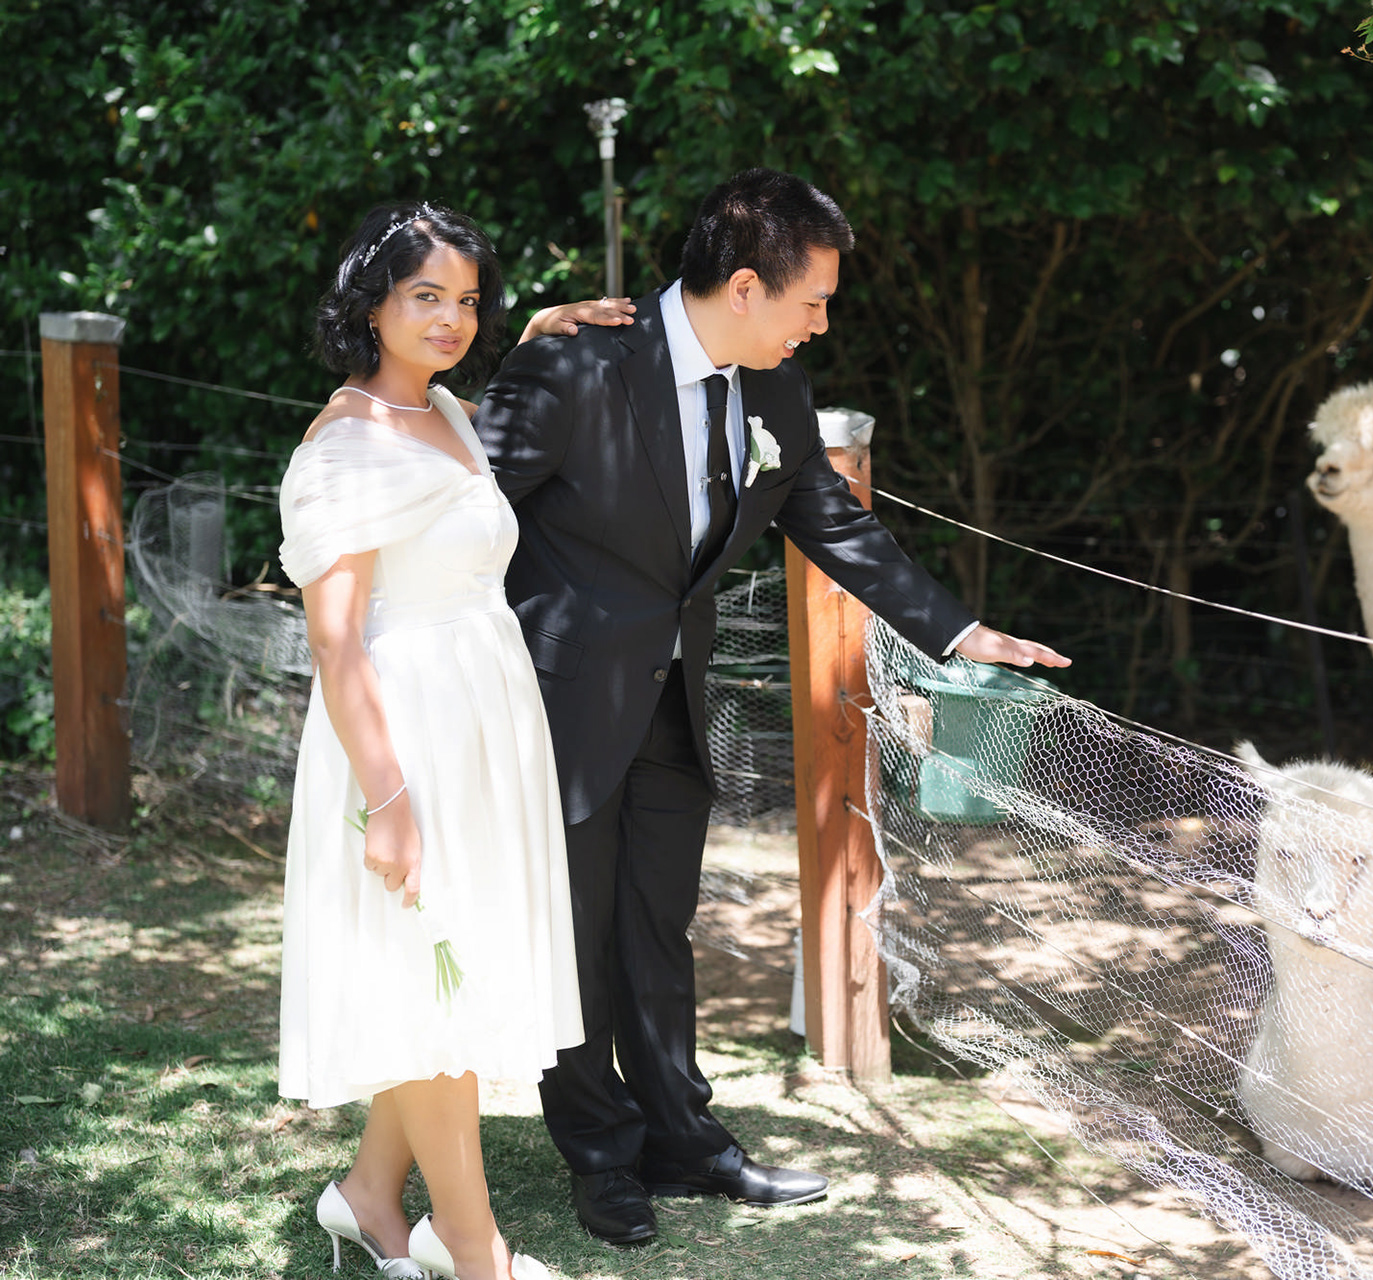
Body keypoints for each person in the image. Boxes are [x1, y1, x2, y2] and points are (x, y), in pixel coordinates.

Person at [472, 167, 1069, 1247]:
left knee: (658, 928)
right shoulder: (575, 364)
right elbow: (464, 514)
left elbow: (836, 525)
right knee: (577, 937)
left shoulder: (776, 389)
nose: (821, 325)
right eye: (813, 301)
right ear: (745, 286)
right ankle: (600, 1154)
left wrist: (963, 632)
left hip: (675, 704)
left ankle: (683, 1140)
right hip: (556, 706)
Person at [277, 202, 634, 1280]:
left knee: (447, 974)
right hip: (404, 735)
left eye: (466, 300)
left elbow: (455, 450)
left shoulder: (441, 409)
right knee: (433, 983)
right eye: (424, 295)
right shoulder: (344, 446)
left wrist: (532, 337)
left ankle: (368, 1195)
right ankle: (472, 1247)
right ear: (370, 303)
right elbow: (336, 642)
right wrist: (388, 799)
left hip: (481, 724)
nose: (451, 318)